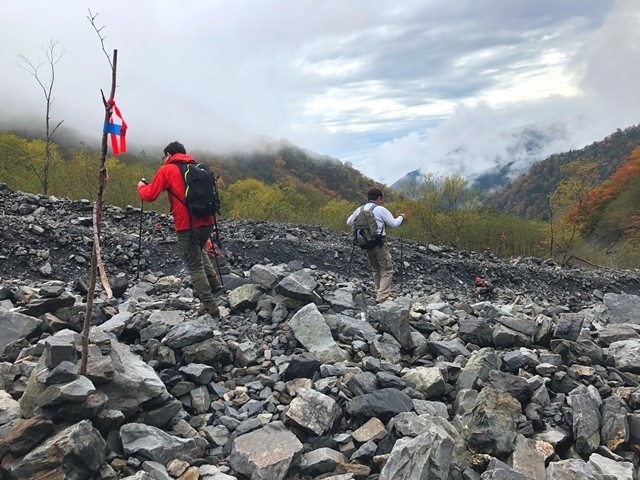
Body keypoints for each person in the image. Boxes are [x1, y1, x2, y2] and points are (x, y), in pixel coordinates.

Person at [137, 141, 223, 318]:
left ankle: (209, 306)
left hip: (187, 224)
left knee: (193, 264)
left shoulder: (167, 170)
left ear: (168, 155)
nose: (164, 159)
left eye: (164, 156)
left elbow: (150, 195)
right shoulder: (198, 168)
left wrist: (141, 187)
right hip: (207, 221)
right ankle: (214, 283)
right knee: (198, 249)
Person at [346, 187, 405, 303]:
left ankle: (379, 292)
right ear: (379, 198)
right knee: (387, 269)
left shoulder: (360, 209)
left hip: (365, 244)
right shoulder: (380, 209)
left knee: (376, 269)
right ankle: (382, 296)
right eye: (381, 199)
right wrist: (401, 217)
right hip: (379, 243)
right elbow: (394, 224)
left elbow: (348, 222)